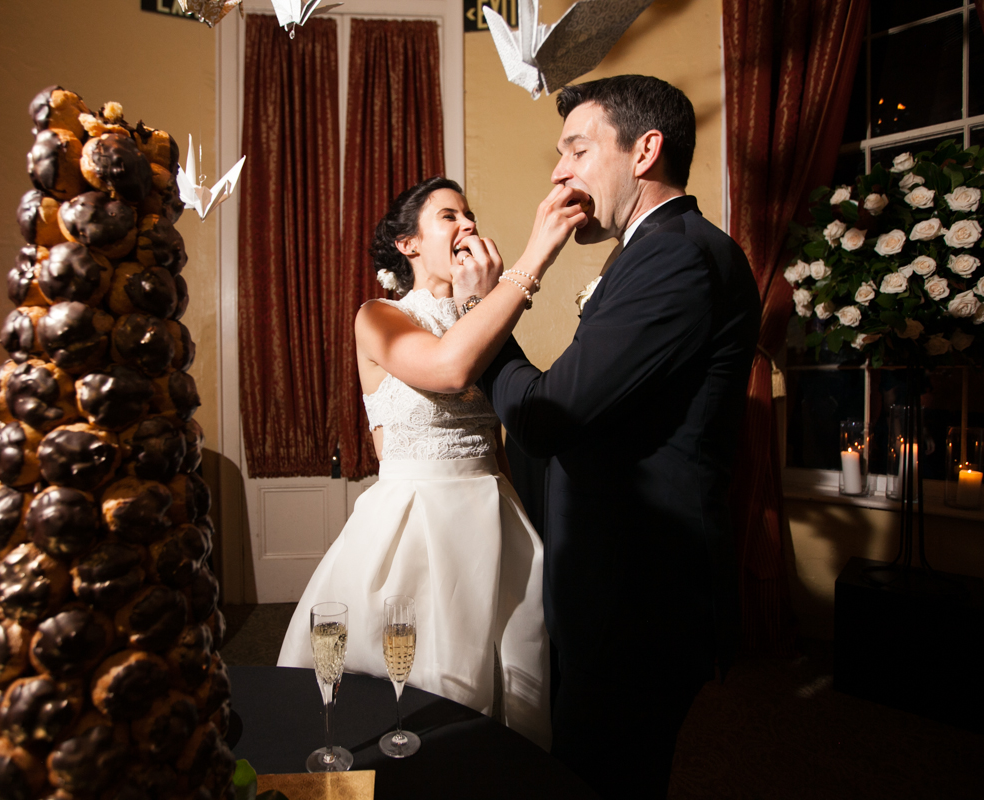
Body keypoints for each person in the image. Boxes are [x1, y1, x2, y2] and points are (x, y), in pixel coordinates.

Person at [467, 75, 762, 798]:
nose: (559, 172)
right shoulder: (649, 250)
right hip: (617, 587)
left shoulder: (675, 255)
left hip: (641, 601)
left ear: (644, 151)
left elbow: (547, 415)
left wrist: (485, 313)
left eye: (576, 148)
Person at [275, 176, 584, 750]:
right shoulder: (379, 316)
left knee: (504, 693)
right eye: (449, 216)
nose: (467, 225)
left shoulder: (481, 317)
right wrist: (533, 259)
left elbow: (497, 436)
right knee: (406, 697)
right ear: (407, 243)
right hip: (413, 527)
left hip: (493, 521)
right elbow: (448, 369)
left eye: (469, 215)